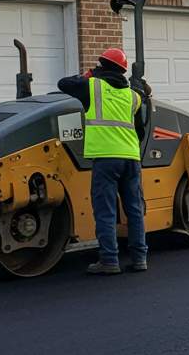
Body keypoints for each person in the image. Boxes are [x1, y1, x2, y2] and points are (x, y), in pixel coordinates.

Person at [57, 47, 148, 274]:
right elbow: (140, 129)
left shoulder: (92, 86)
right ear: (123, 71)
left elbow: (63, 84)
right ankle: (140, 259)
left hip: (106, 159)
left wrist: (89, 73)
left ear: (102, 66)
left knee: (105, 211)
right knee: (134, 210)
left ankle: (109, 261)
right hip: (131, 158)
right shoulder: (133, 97)